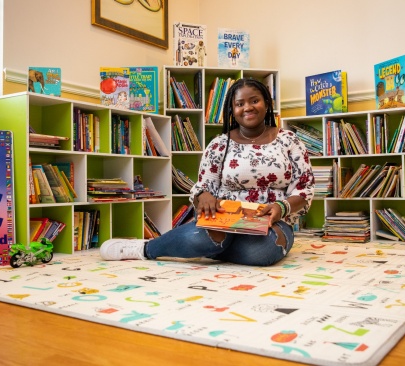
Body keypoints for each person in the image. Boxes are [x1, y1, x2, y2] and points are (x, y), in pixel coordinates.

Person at [100, 78, 315, 266]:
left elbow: (305, 188)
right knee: (201, 238)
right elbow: (203, 187)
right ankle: (147, 249)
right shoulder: (220, 144)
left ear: (267, 103)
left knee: (260, 252)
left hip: (272, 223)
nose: (247, 107)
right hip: (225, 220)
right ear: (232, 110)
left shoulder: (289, 140)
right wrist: (204, 196)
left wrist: (281, 207)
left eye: (254, 101)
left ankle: (211, 249)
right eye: (239, 104)